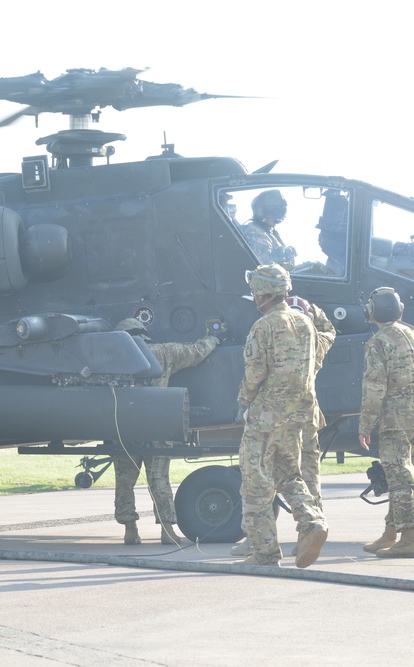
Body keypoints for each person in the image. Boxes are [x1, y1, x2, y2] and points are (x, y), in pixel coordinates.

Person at [235, 264, 329, 568]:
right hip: (298, 415)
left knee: (254, 480)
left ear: (262, 293)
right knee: (289, 475)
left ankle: (264, 553)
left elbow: (255, 372)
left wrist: (244, 401)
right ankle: (312, 522)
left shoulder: (263, 326)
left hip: (265, 416)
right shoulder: (305, 323)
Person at [113, 317, 221, 545]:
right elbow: (196, 352)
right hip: (157, 427)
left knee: (124, 480)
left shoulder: (114, 357)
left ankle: (130, 530)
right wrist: (214, 337)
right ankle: (167, 530)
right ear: (144, 333)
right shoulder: (164, 352)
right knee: (159, 480)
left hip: (124, 427)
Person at [358, 288, 414, 558]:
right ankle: (391, 534)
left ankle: (409, 538)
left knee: (400, 479)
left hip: (394, 420)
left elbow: (375, 387)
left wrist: (365, 424)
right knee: (403, 475)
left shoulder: (378, 342)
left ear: (373, 312)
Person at [240, 189, 297, 269]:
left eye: (281, 211)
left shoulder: (271, 232)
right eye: (275, 211)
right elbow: (262, 265)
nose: (279, 215)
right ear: (264, 212)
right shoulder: (254, 232)